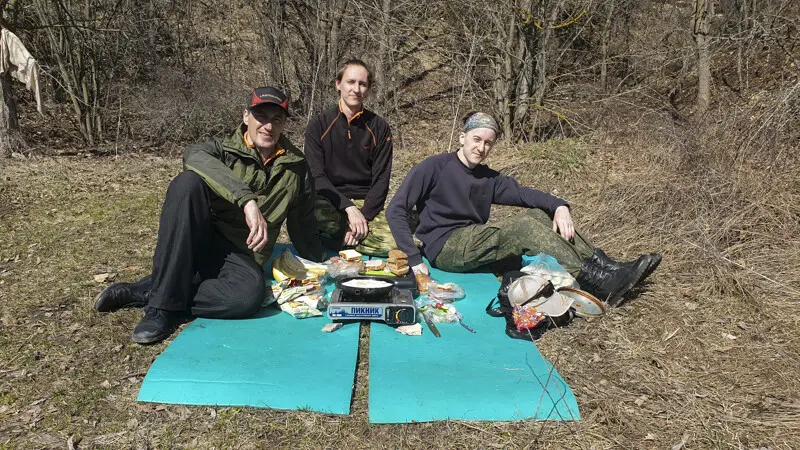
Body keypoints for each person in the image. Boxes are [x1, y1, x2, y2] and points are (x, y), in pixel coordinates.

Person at [94, 86, 325, 344]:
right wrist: (246, 200)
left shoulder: (296, 165)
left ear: (283, 124)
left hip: (242, 254)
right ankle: (161, 308)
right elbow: (192, 156)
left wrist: (324, 260)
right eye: (261, 116)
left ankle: (151, 289)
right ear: (246, 116)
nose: (268, 126)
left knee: (248, 298)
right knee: (186, 183)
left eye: (276, 119)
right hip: (199, 242)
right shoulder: (220, 150)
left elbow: (303, 221)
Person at [386, 112, 661, 305]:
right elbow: (395, 210)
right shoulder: (433, 167)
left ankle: (607, 267)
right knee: (522, 227)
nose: (481, 147)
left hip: (473, 238)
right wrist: (414, 259)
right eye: (476, 139)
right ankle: (596, 281)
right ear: (462, 137)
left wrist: (559, 206)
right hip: (445, 246)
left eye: (488, 143)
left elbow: (524, 194)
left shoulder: (488, 178)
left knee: (539, 214)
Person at [304, 59, 396, 257]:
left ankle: (341, 239)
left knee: (392, 244)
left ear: (368, 89)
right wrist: (348, 208)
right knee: (308, 215)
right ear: (338, 84)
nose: (356, 89)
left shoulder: (379, 127)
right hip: (330, 200)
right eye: (351, 82)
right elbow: (316, 176)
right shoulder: (318, 125)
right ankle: (345, 237)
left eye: (362, 84)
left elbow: (381, 180)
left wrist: (363, 217)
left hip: (365, 203)